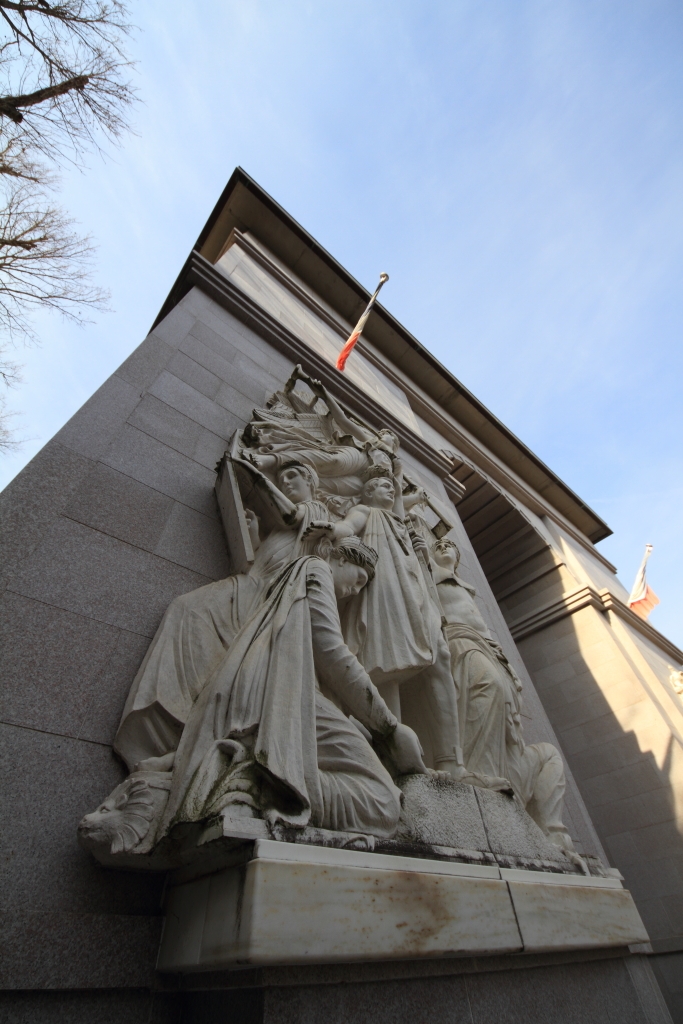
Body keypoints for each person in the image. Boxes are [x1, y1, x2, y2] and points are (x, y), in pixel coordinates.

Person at [156, 536, 429, 841]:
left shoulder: (295, 580)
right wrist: (388, 727)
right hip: (282, 696)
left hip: (277, 692)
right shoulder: (316, 569)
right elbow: (332, 652)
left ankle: (265, 779)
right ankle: (259, 783)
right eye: (359, 579)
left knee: (375, 784)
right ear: (341, 559)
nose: (356, 590)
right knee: (383, 803)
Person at [113, 461, 331, 770]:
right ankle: (172, 717)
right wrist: (253, 534)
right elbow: (262, 555)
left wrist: (256, 477)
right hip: (248, 584)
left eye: (292, 476)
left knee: (195, 617)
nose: (285, 482)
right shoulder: (286, 524)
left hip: (265, 596)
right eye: (281, 478)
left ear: (310, 480)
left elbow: (289, 516)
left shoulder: (316, 510)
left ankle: (186, 729)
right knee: (187, 610)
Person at [304, 475, 466, 780]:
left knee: (440, 656)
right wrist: (331, 529)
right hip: (386, 588)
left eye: (392, 487)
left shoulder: (398, 519)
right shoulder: (366, 511)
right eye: (383, 485)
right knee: (388, 661)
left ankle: (450, 760)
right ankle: (391, 754)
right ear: (368, 491)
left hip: (415, 590)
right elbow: (348, 526)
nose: (390, 489)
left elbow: (400, 495)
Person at [432, 537, 575, 848]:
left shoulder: (465, 586)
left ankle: (553, 836)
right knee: (489, 687)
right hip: (460, 641)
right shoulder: (428, 570)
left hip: (491, 651)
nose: (443, 547)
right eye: (438, 545)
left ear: (458, 556)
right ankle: (479, 779)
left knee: (549, 754)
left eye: (449, 545)